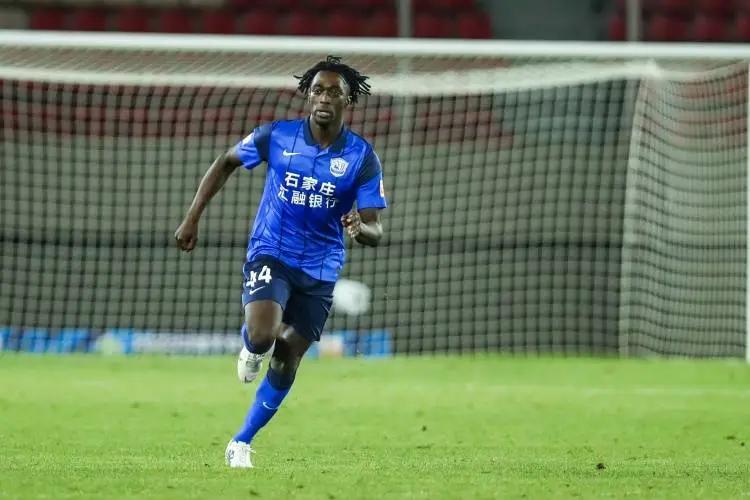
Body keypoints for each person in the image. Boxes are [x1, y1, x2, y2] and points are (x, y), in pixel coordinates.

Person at [174, 56, 387, 468]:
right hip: (272, 250)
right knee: (263, 334)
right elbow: (226, 161)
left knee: (288, 357)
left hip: (321, 268)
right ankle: (251, 346)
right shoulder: (276, 136)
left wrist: (361, 229)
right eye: (318, 90)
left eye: (334, 92)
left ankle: (241, 441)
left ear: (348, 101)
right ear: (308, 95)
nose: (324, 98)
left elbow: (376, 228)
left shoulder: (362, 158)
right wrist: (192, 217)